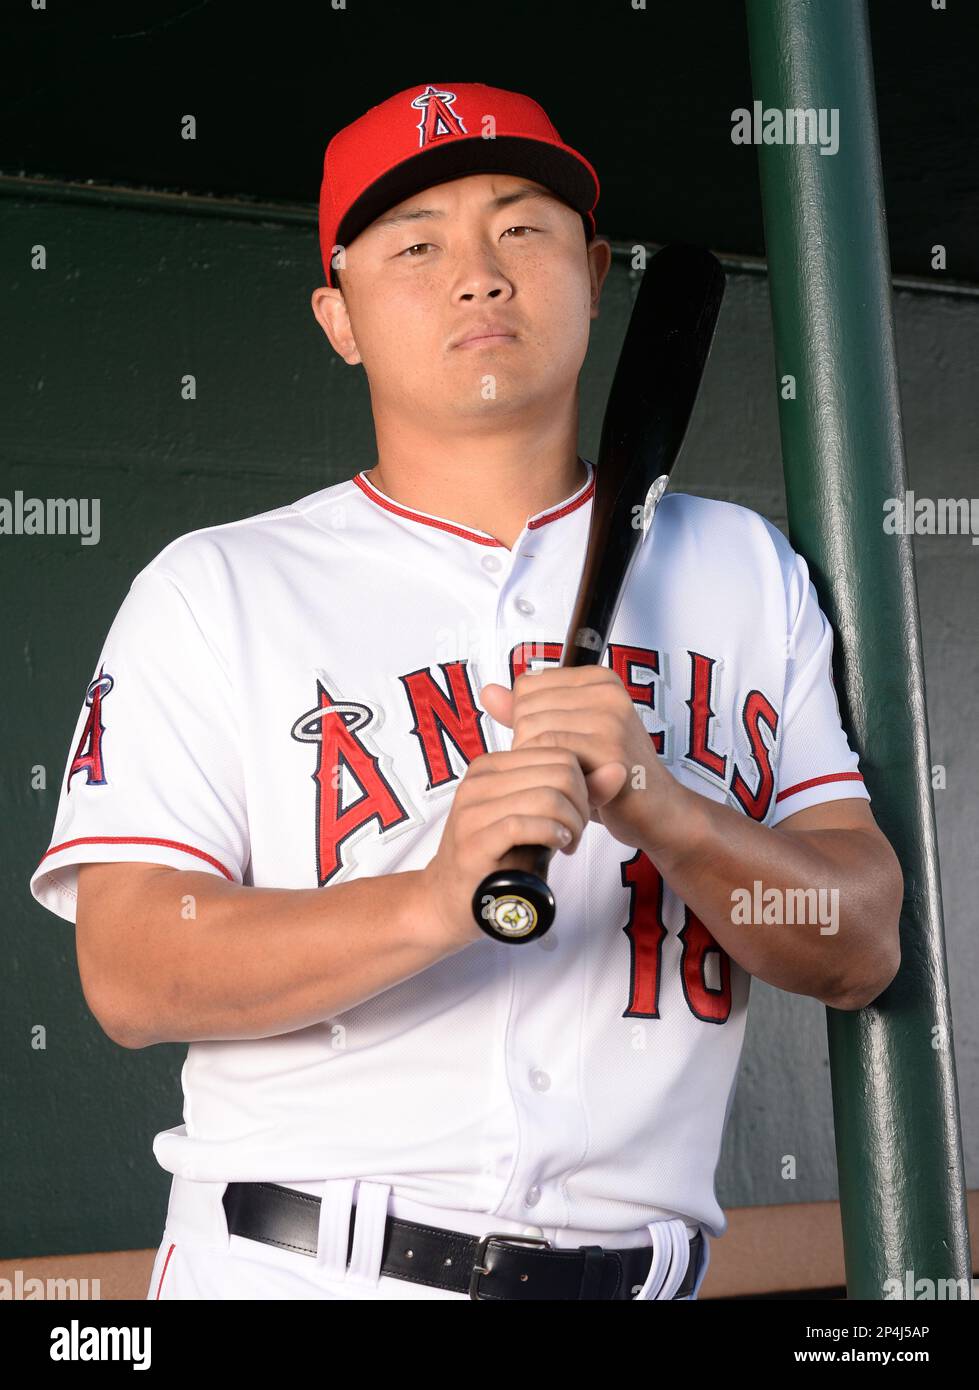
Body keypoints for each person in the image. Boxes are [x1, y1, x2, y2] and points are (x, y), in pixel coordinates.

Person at [29, 80, 903, 1302]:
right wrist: (435, 897)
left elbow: (857, 943)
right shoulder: (217, 585)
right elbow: (130, 971)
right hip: (307, 1268)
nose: (478, 274)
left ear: (595, 272)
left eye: (521, 228)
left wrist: (665, 805)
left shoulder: (741, 569)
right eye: (417, 243)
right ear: (337, 315)